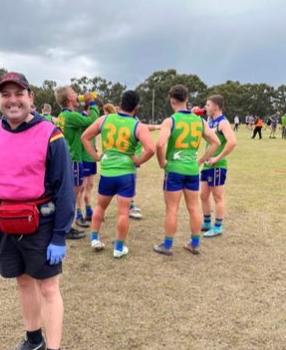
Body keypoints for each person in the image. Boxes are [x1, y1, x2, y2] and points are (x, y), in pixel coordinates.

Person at [0, 72, 75, 350]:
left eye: (19, 93)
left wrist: (60, 234)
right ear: (0, 100)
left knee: (48, 288)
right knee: (22, 281)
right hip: (5, 222)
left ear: (31, 97)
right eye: (6, 95)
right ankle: (34, 340)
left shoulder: (51, 135)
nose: (13, 100)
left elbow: (65, 189)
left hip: (42, 222)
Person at [81, 90, 155, 258]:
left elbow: (85, 137)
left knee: (100, 206)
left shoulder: (104, 119)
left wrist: (96, 156)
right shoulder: (138, 125)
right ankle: (118, 248)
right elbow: (151, 149)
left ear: (120, 104)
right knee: (123, 212)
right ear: (136, 108)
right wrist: (138, 160)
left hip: (107, 172)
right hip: (126, 174)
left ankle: (94, 238)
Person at [153, 85, 220, 256]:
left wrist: (162, 163)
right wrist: (201, 160)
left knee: (172, 209)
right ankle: (195, 244)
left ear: (171, 100)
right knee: (194, 208)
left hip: (174, 169)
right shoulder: (200, 121)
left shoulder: (171, 120)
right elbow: (216, 143)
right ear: (187, 99)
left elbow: (160, 144)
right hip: (191, 170)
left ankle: (167, 245)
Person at [55, 86, 100, 235]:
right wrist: (92, 103)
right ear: (69, 99)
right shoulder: (71, 116)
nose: (78, 95)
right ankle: (66, 228)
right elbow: (93, 120)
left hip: (67, 159)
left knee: (70, 194)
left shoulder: (63, 116)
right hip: (74, 160)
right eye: (74, 93)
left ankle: (66, 225)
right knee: (72, 197)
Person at [200, 95, 237, 237]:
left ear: (215, 107)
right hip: (207, 165)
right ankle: (207, 222)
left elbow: (232, 142)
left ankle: (218, 227)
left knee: (217, 196)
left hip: (217, 166)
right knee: (203, 195)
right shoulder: (210, 121)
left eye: (208, 105)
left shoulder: (223, 122)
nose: (206, 107)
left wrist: (217, 158)